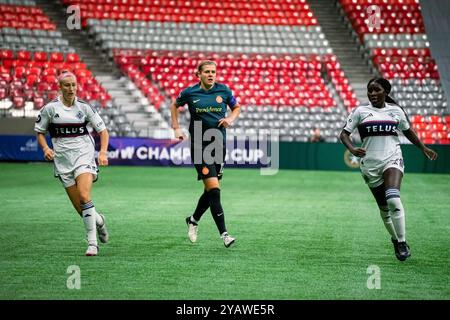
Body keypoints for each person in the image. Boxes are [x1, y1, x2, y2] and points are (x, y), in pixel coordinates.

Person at [340, 77, 438, 261]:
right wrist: (352, 148)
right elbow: (344, 134)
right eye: (370, 90)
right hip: (370, 165)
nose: (372, 94)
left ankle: (402, 241)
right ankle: (394, 238)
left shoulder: (396, 111)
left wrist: (423, 147)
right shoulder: (361, 111)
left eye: (376, 90)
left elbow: (407, 130)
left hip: (392, 159)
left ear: (386, 92)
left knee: (393, 198)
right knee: (384, 208)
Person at [34, 70, 110, 256]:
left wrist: (102, 152)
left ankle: (92, 243)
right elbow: (40, 132)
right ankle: (99, 220)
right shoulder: (50, 109)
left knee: (84, 196)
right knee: (81, 208)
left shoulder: (84, 108)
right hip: (62, 161)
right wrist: (45, 149)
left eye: (74, 85)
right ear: (59, 87)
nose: (71, 88)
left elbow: (103, 131)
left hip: (84, 156)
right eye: (67, 85)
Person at [170, 60, 241, 248]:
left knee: (210, 191)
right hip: (200, 146)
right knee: (215, 190)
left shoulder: (224, 91)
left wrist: (230, 119)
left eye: (213, 72)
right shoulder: (190, 93)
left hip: (218, 145)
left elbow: (237, 107)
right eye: (207, 72)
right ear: (199, 74)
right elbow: (174, 105)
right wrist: (176, 128)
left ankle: (193, 219)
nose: (211, 74)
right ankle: (224, 234)